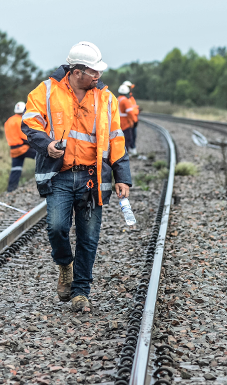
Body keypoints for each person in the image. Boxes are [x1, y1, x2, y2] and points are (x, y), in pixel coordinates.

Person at [22, 41, 132, 312]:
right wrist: (46, 144)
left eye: (99, 71)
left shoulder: (106, 98)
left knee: (88, 238)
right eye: (93, 71)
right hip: (59, 175)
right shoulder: (46, 90)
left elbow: (116, 138)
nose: (98, 75)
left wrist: (122, 176)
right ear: (76, 71)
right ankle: (65, 265)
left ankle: (81, 292)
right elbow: (30, 123)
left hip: (92, 178)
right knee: (57, 227)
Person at [4, 102, 37, 192]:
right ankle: (45, 178)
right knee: (40, 156)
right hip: (23, 148)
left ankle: (11, 190)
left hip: (13, 150)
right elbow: (25, 138)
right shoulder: (20, 120)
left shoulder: (8, 121)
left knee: (16, 169)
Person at [117, 84, 138, 152]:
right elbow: (130, 113)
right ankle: (124, 153)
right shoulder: (125, 101)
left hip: (118, 123)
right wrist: (134, 121)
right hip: (125, 124)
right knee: (127, 139)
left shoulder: (117, 99)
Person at [122, 81, 140, 155]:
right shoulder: (126, 98)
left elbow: (133, 108)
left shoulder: (130, 97)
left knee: (133, 136)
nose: (131, 89)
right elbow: (129, 111)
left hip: (133, 120)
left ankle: (132, 149)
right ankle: (130, 150)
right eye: (130, 87)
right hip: (129, 121)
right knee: (129, 136)